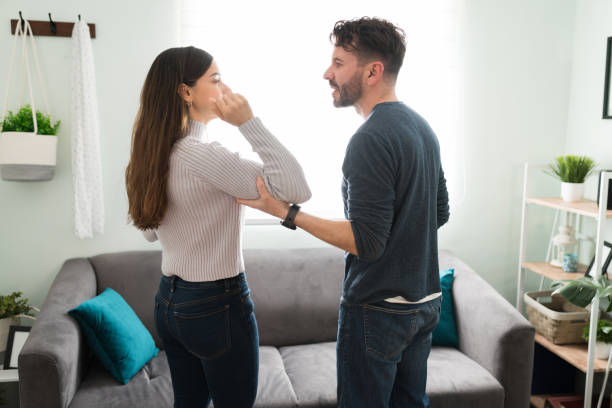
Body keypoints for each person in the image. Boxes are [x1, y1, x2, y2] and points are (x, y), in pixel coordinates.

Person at [237, 17, 450, 408]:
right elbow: (439, 212)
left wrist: (286, 212)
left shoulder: (369, 139)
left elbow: (365, 243)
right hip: (423, 305)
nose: (327, 73)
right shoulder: (423, 129)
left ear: (373, 71)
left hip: (378, 312)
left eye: (338, 63)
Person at [125, 46, 311, 408]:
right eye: (216, 79)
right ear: (186, 91)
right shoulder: (201, 156)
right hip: (216, 305)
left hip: (169, 303)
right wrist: (248, 123)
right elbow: (297, 188)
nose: (225, 88)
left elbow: (149, 231)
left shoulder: (149, 156)